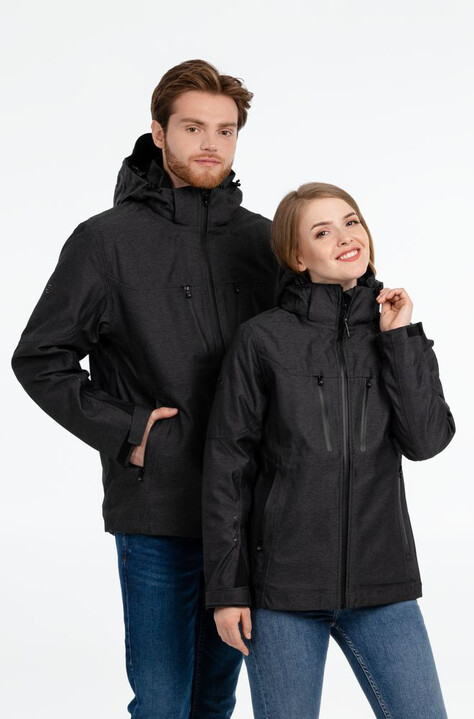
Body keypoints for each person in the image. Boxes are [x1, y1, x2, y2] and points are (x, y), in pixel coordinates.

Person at [12, 59, 278, 719]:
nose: (210, 143)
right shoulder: (106, 241)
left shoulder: (264, 241)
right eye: (192, 127)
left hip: (250, 510)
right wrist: (132, 432)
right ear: (158, 133)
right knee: (161, 703)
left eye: (225, 130)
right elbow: (40, 357)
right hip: (158, 505)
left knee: (214, 698)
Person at [202, 182, 455, 718]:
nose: (345, 237)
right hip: (282, 593)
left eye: (351, 222)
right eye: (322, 232)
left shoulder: (395, 336)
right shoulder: (263, 340)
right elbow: (227, 469)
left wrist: (399, 339)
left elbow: (427, 442)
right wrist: (228, 590)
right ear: (297, 257)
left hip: (382, 583)